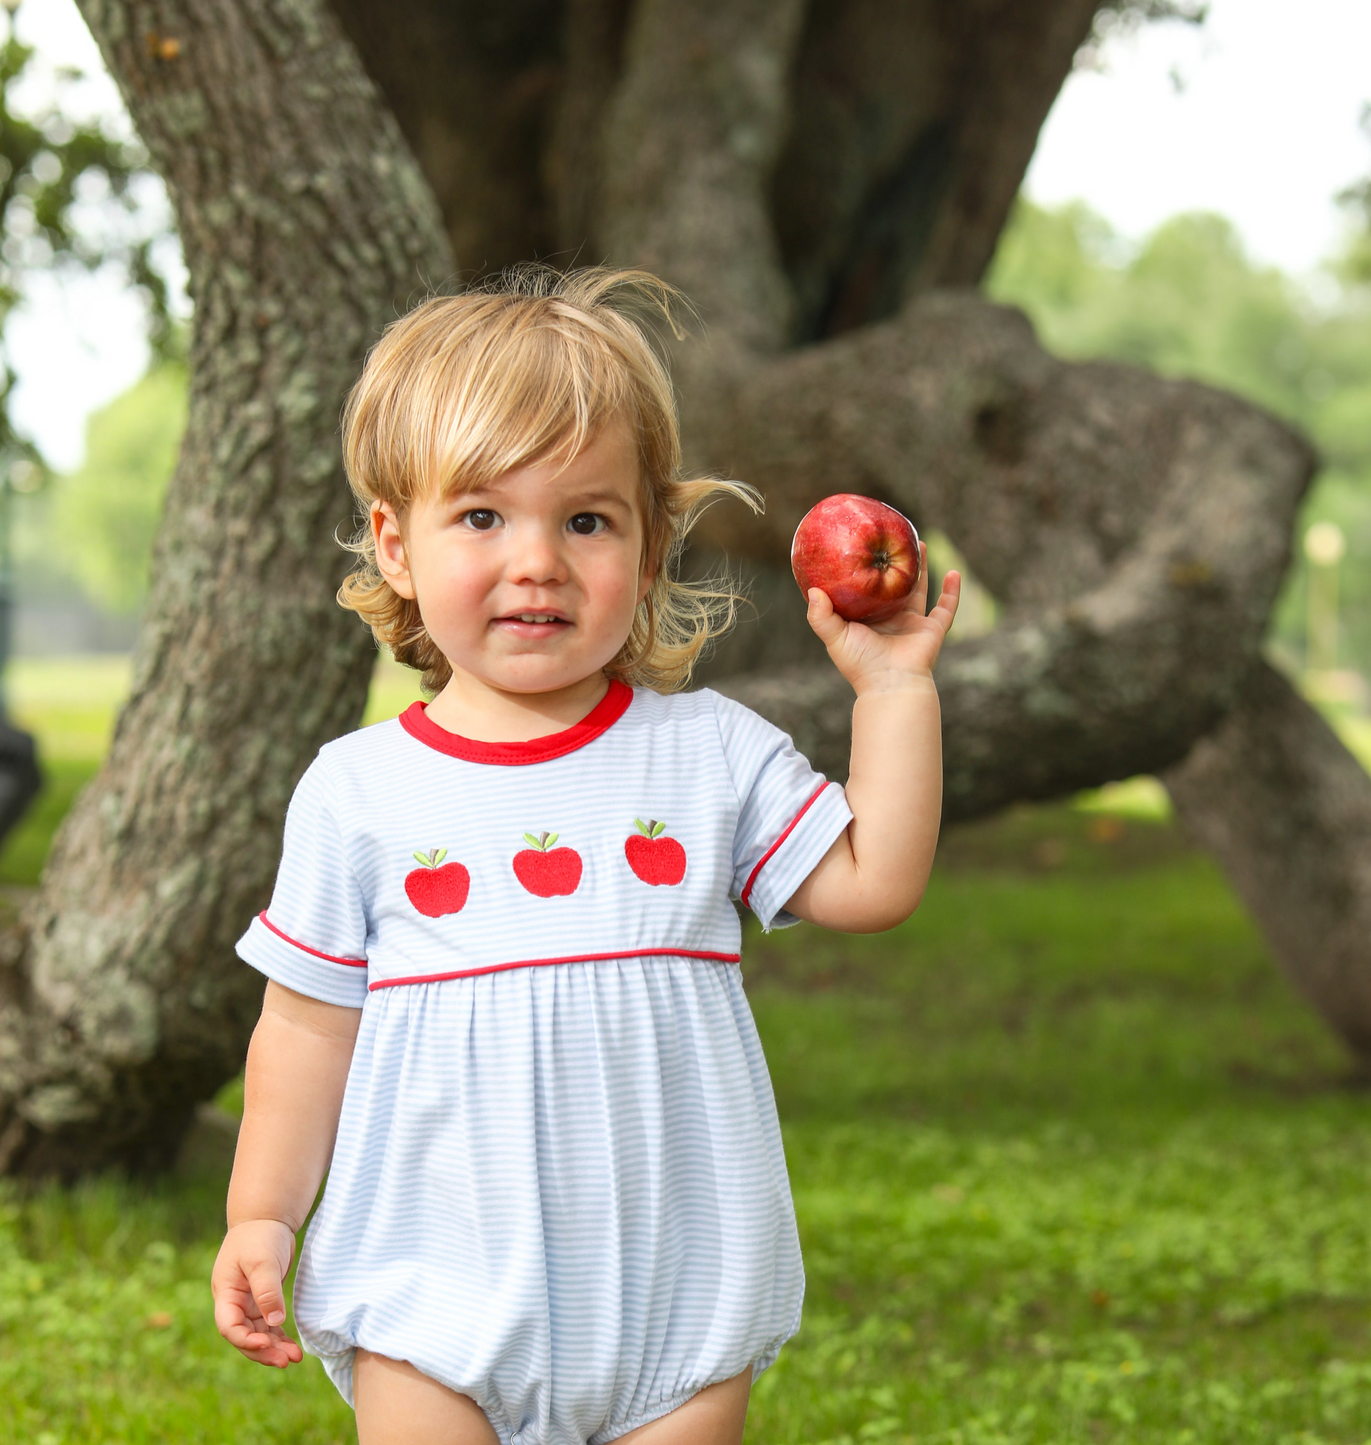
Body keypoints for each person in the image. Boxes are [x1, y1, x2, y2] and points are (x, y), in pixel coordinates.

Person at [211, 266, 960, 1445]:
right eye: (481, 516)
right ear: (393, 543)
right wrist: (262, 1210)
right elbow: (306, 1026)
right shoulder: (357, 792)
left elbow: (875, 879)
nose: (537, 559)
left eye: (586, 518)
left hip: (672, 1300)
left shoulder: (708, 754)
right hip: (432, 1286)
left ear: (652, 543)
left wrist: (895, 690)